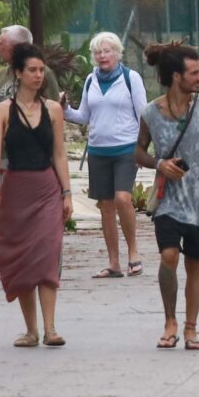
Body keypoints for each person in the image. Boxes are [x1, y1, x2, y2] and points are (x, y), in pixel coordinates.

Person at [136, 42, 199, 351]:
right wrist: (159, 163)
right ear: (176, 76)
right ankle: (170, 321)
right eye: (194, 73)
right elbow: (137, 151)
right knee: (169, 256)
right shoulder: (150, 113)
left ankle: (191, 327)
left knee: (196, 264)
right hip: (167, 198)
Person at [0, 43, 72, 347]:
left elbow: (60, 154)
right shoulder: (2, 111)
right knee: (21, 257)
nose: (38, 75)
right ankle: (31, 329)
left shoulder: (53, 109)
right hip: (15, 189)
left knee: (47, 254)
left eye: (41, 70)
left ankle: (51, 328)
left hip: (47, 188)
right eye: (32, 70)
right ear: (17, 73)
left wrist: (67, 193)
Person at [64, 31, 148, 278]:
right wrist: (64, 108)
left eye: (107, 51)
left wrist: (143, 149)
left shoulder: (131, 78)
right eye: (98, 52)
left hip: (126, 149)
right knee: (106, 206)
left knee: (123, 198)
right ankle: (114, 262)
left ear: (117, 53)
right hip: (98, 150)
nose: (102, 56)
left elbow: (144, 114)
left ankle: (134, 252)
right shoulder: (91, 80)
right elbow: (83, 116)